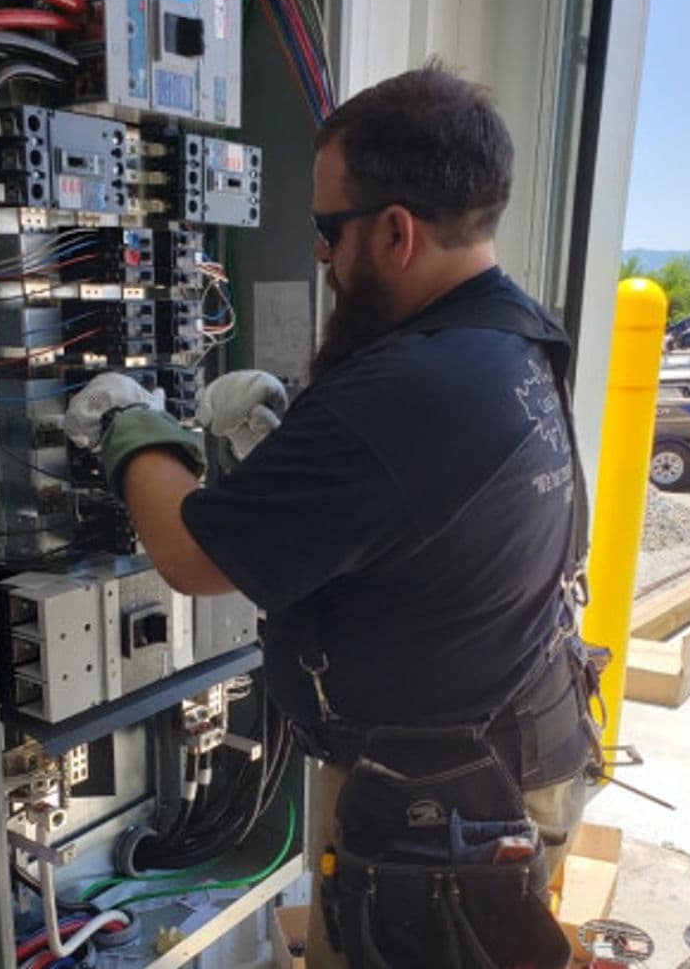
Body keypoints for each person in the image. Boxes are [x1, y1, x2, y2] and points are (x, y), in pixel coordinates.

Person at [65, 61, 597, 969]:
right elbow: (422, 507)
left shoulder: (408, 391)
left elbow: (193, 553)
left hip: (437, 811)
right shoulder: (508, 337)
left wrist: (129, 426)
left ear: (395, 231)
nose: (319, 254)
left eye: (326, 230)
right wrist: (297, 452)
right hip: (514, 751)